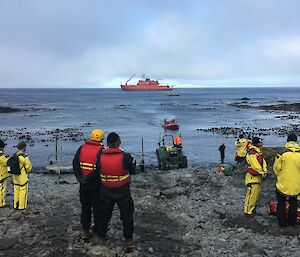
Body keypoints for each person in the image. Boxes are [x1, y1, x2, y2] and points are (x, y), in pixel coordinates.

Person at [96, 132, 136, 252]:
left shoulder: (100, 156)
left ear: (107, 144)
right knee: (127, 216)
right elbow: (133, 171)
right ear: (119, 143)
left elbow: (97, 169)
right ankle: (129, 241)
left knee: (103, 215)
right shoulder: (126, 157)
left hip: (106, 190)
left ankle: (101, 237)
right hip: (122, 191)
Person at [73, 129, 104, 240]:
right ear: (102, 138)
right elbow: (100, 168)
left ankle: (85, 231)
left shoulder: (82, 148)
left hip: (83, 185)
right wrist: (88, 178)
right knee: (97, 209)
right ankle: (97, 230)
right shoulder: (101, 150)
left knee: (85, 208)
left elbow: (75, 163)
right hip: (96, 186)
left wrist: (80, 177)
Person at [273, 134, 300, 227]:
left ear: (287, 141)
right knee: (294, 203)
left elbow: (276, 169)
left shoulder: (281, 153)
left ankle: (282, 223)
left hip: (283, 184)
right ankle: (292, 222)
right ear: (296, 141)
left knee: (281, 203)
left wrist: (280, 177)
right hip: (296, 185)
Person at [244, 137, 267, 216]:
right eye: (260, 143)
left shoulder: (258, 152)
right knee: (251, 195)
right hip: (252, 177)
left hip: (257, 177)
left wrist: (264, 171)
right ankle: (247, 212)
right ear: (257, 144)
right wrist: (263, 173)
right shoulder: (252, 153)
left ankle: (253, 209)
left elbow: (263, 163)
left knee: (256, 196)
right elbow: (255, 165)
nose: (262, 144)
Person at [13, 142, 32, 210]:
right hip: (22, 177)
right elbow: (28, 167)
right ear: (24, 148)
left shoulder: (14, 155)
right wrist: (28, 172)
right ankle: (21, 206)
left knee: (16, 191)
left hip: (15, 177)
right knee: (23, 191)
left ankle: (15, 205)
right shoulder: (24, 157)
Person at [0, 140, 9, 208]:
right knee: (2, 189)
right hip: (2, 175)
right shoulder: (1, 155)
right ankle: (1, 203)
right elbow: (6, 163)